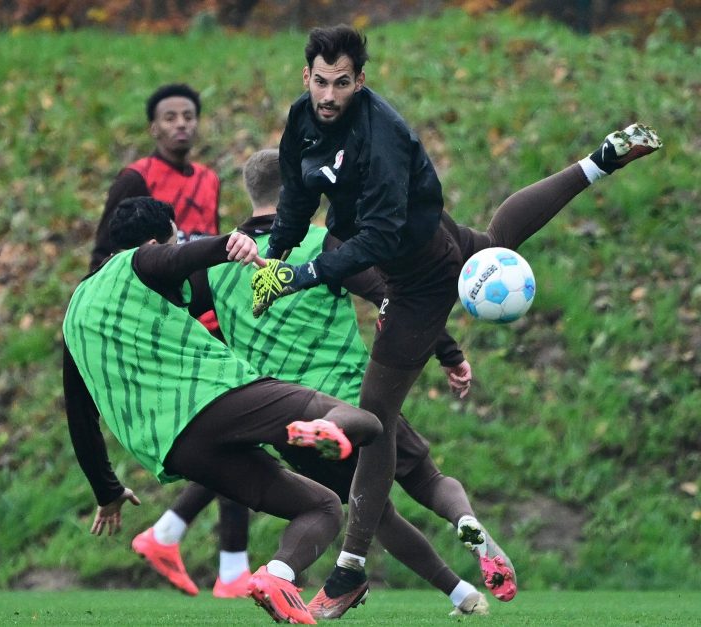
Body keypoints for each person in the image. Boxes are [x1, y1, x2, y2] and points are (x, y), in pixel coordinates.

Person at [249, 24, 662, 618]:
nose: (330, 94)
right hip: (424, 244)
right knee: (494, 239)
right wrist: (279, 254)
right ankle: (600, 160)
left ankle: (349, 568)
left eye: (343, 83)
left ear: (361, 82)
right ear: (306, 76)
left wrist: (301, 274)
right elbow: (296, 201)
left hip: (418, 275)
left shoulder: (384, 135)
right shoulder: (304, 117)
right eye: (321, 81)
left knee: (377, 422)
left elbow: (379, 236)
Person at [132, 149, 503, 616]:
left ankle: (463, 595)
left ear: (251, 192)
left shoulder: (218, 262)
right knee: (425, 479)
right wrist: (449, 353)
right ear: (294, 192)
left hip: (283, 419)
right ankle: (465, 521)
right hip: (348, 402)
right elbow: (395, 296)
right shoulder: (323, 244)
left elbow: (185, 314)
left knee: (372, 511)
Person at [62, 196, 383, 624]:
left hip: (175, 449)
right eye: (173, 239)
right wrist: (229, 244)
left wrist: (107, 491)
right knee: (371, 423)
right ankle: (322, 426)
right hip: (219, 397)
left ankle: (278, 576)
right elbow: (179, 256)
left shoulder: (74, 315)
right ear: (158, 241)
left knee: (322, 507)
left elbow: (79, 415)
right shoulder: (142, 261)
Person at [89, 83, 221, 332]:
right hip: (155, 310)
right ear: (154, 128)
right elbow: (105, 250)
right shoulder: (136, 177)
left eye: (188, 116)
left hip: (205, 313)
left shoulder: (209, 178)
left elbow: (211, 237)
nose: (181, 123)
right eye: (170, 118)